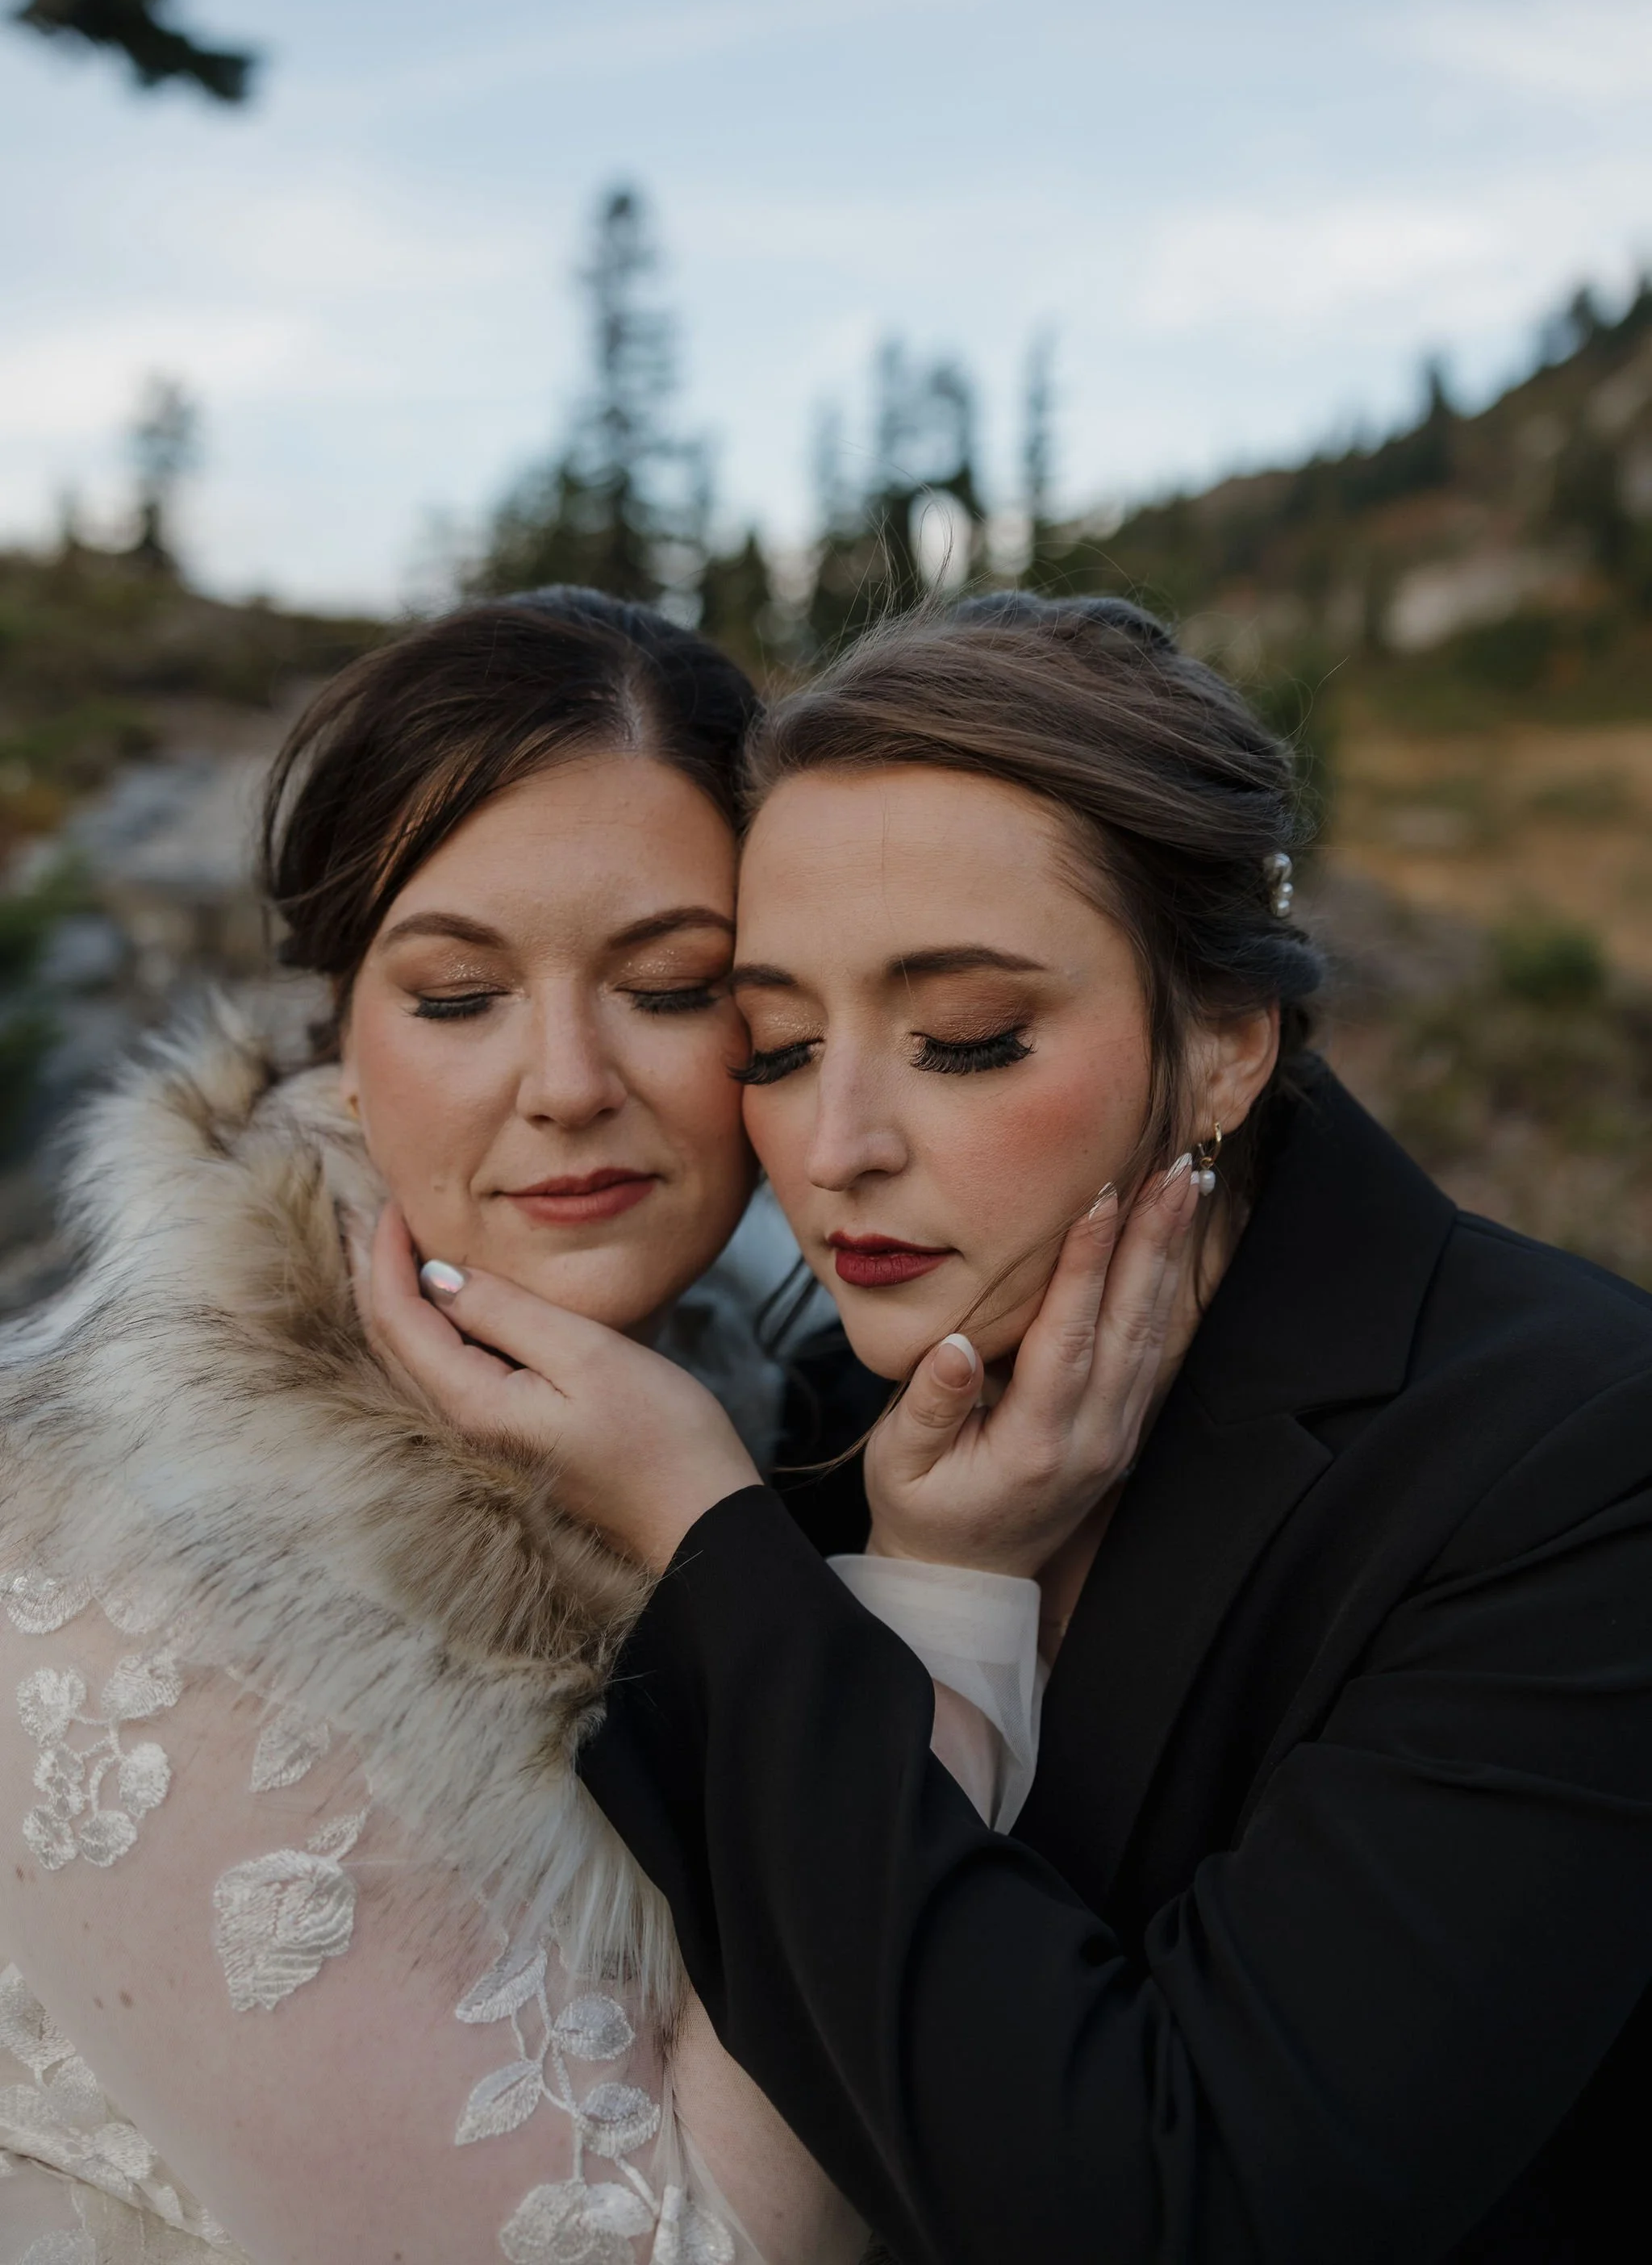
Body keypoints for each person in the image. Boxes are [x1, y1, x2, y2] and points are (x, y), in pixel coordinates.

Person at [370, 596, 1652, 2265]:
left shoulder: (1573, 1459)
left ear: (1226, 1042)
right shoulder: (829, 1400)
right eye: (778, 1044)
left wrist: (702, 1534)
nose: (835, 1147)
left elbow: (1183, 2209)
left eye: (963, 1040)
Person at [4, 590, 1155, 2264]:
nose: (564, 1082)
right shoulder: (142, 1565)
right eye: (458, 994)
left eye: (672, 988)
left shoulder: (751, 1365)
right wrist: (935, 1597)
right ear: (343, 1039)